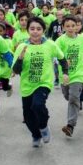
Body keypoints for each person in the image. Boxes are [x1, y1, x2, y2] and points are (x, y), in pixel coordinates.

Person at [12, 17, 68, 146]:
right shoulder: (22, 47)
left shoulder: (50, 45)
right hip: (27, 85)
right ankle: (36, 135)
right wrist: (20, 58)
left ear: (43, 30)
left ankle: (43, 126)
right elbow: (16, 70)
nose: (35, 31)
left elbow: (62, 59)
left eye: (38, 29)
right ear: (28, 30)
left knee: (37, 105)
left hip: (44, 82)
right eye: (32, 29)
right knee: (28, 117)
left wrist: (65, 73)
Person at [56, 15, 83, 137]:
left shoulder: (82, 39)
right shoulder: (60, 40)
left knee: (73, 98)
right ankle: (74, 104)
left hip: (78, 74)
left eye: (73, 26)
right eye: (67, 26)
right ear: (63, 27)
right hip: (65, 75)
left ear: (77, 27)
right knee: (68, 96)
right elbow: (54, 55)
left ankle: (70, 125)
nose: (70, 28)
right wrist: (61, 62)